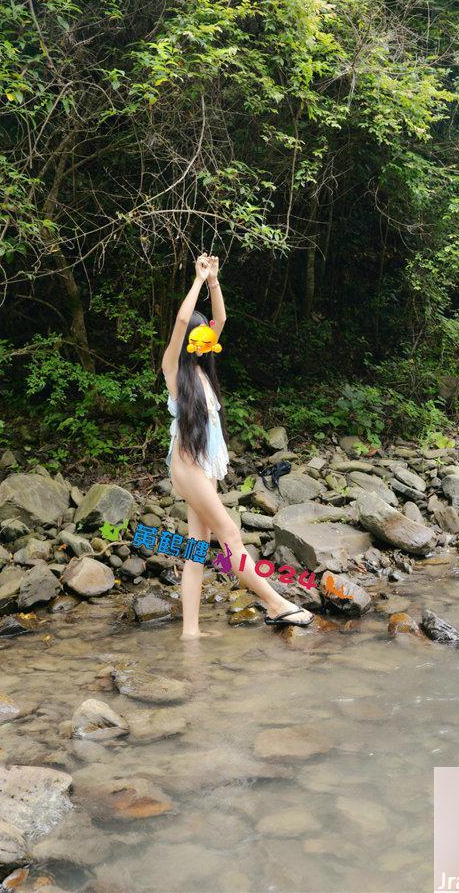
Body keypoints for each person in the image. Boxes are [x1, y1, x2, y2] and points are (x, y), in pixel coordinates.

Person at [161, 252, 314, 639]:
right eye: (196, 340)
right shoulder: (173, 373)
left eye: (205, 340)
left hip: (203, 469)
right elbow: (182, 321)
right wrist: (196, 279)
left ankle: (190, 632)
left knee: (198, 548)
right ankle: (276, 604)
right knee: (230, 536)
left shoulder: (203, 372)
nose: (201, 344)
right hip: (187, 468)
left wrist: (214, 281)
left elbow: (222, 319)